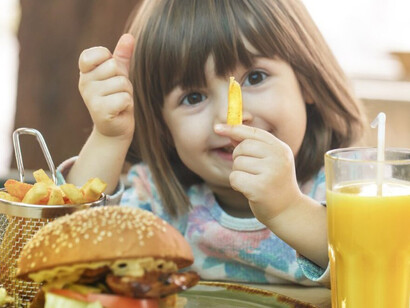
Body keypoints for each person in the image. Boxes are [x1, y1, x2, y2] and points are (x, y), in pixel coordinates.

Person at [61, 0, 365, 286]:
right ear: (164, 125)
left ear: (306, 81)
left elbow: (378, 266)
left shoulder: (348, 189)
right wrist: (109, 138)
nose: (230, 118)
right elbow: (70, 250)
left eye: (256, 78)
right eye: (193, 97)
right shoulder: (156, 202)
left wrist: (287, 209)